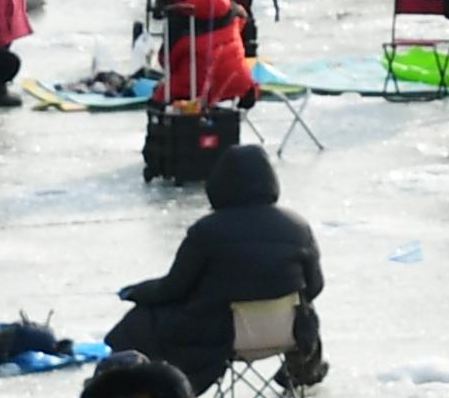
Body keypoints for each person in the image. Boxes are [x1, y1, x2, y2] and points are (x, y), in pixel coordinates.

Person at [101, 147, 326, 392]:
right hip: (287, 335)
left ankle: (127, 388)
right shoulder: (298, 226)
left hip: (220, 337)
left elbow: (174, 289)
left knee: (141, 321)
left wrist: (137, 292)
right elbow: (315, 286)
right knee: (304, 308)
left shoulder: (207, 231)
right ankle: (303, 371)